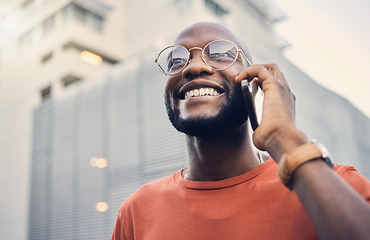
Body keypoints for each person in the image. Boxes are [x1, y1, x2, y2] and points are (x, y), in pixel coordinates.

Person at [112, 22, 370, 239]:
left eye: (221, 53)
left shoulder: (337, 186)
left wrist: (284, 138)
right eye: (177, 59)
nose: (193, 67)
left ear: (253, 82)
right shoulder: (136, 211)